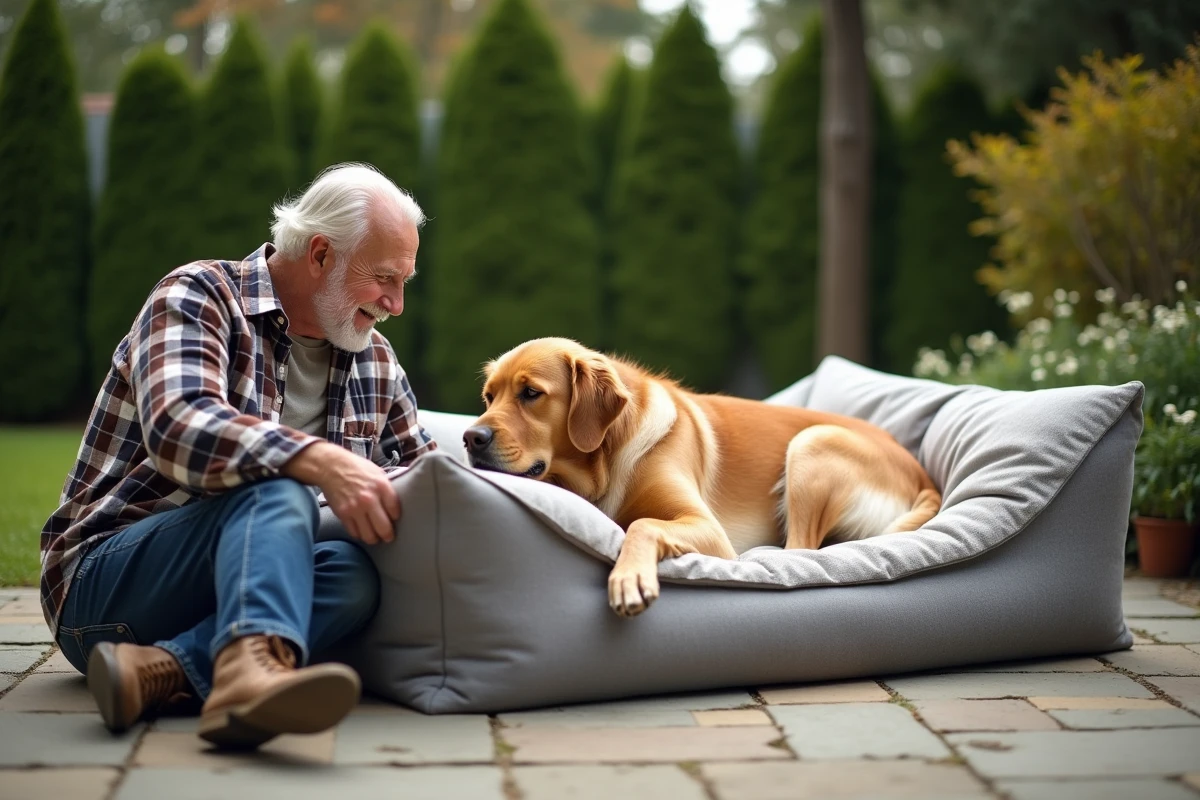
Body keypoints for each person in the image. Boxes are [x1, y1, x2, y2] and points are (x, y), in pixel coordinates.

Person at [39, 163, 437, 748]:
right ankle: (245, 669)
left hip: (235, 589)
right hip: (103, 585)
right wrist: (316, 460)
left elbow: (424, 477)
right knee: (277, 483)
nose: (397, 304)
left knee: (354, 580)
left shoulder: (376, 361)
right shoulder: (198, 295)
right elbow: (178, 425)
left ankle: (163, 673)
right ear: (321, 254)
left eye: (405, 281)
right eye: (383, 278)